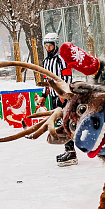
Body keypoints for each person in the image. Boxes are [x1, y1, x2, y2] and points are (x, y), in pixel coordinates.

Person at [38, 32, 77, 166]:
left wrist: (63, 93)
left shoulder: (62, 59)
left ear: (56, 45)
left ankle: (71, 152)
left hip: (63, 97)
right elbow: (46, 80)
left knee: (65, 123)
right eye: (46, 46)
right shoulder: (46, 61)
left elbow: (67, 77)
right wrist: (44, 95)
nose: (48, 48)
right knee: (59, 124)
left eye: (50, 45)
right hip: (53, 97)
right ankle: (68, 149)